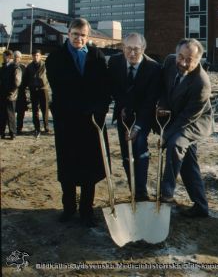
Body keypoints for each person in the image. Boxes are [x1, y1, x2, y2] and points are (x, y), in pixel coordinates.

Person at [46, 18, 110, 227]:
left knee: (89, 168)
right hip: (68, 122)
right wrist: (74, 110)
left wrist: (100, 108)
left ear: (88, 36)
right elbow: (60, 89)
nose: (78, 39)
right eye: (75, 34)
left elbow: (104, 88)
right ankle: (69, 208)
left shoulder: (97, 56)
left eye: (82, 35)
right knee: (68, 166)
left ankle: (86, 210)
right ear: (68, 33)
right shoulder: (55, 58)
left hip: (91, 122)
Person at [157, 38, 214, 217]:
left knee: (176, 144)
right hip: (177, 114)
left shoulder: (202, 83)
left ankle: (166, 193)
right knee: (188, 163)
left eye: (189, 60)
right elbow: (163, 87)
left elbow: (186, 118)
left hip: (195, 120)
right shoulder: (169, 61)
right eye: (180, 56)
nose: (182, 62)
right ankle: (201, 207)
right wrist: (163, 104)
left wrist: (165, 136)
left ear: (198, 60)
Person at [108, 32, 161, 200]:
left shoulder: (153, 68)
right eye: (128, 49)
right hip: (124, 114)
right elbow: (115, 88)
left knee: (138, 146)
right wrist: (123, 106)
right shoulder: (115, 62)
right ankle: (134, 190)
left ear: (143, 49)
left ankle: (141, 192)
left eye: (136, 49)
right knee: (126, 153)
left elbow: (150, 100)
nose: (132, 53)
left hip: (143, 115)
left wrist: (138, 126)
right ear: (123, 48)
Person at [23, 49, 49, 137]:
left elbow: (50, 76)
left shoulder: (45, 65)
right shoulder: (29, 66)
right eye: (34, 55)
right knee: (35, 110)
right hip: (33, 89)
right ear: (32, 56)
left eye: (37, 55)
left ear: (40, 56)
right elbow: (26, 78)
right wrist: (26, 86)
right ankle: (37, 128)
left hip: (43, 89)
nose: (36, 57)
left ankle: (46, 126)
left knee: (45, 109)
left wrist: (46, 84)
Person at [0, 50, 22, 139]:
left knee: (10, 114)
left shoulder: (15, 67)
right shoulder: (3, 68)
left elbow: (17, 82)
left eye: (4, 56)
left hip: (11, 95)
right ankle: (1, 132)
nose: (3, 58)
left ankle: (12, 133)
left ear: (9, 57)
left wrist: (12, 92)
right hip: (2, 94)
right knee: (2, 114)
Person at [13, 51, 28, 135]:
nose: (16, 58)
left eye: (18, 57)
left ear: (20, 58)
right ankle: (12, 129)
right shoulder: (10, 66)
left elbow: (26, 79)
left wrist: (21, 87)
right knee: (11, 112)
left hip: (21, 92)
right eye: (15, 56)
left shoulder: (23, 68)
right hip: (11, 92)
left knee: (21, 112)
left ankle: (19, 128)